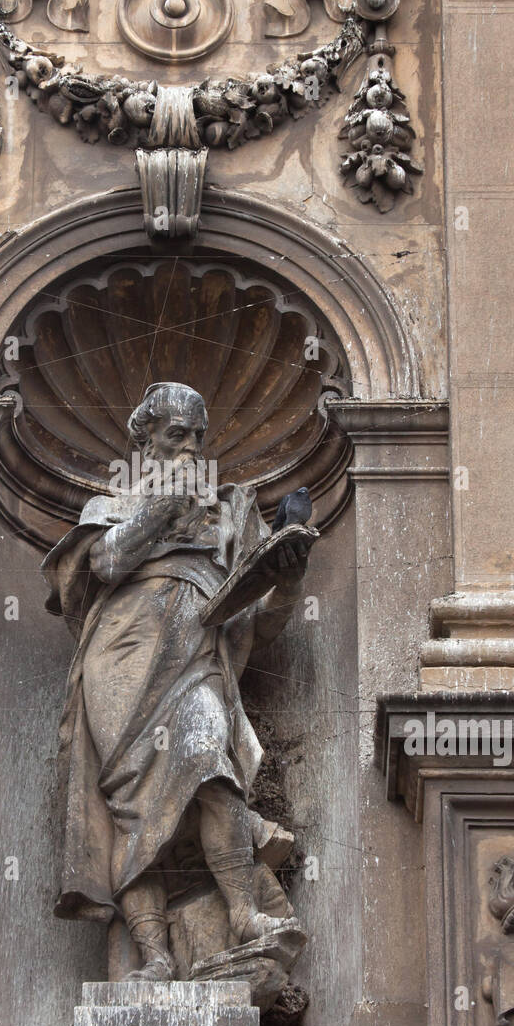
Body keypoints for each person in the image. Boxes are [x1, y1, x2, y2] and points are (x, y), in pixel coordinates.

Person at [43, 382, 310, 980]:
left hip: (197, 663)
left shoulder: (230, 513)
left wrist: (288, 579)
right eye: (175, 436)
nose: (190, 447)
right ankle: (155, 954)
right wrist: (165, 505)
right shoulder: (113, 503)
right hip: (121, 660)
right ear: (146, 441)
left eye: (197, 436)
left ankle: (244, 912)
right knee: (134, 808)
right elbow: (107, 563)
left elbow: (258, 621)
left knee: (209, 761)